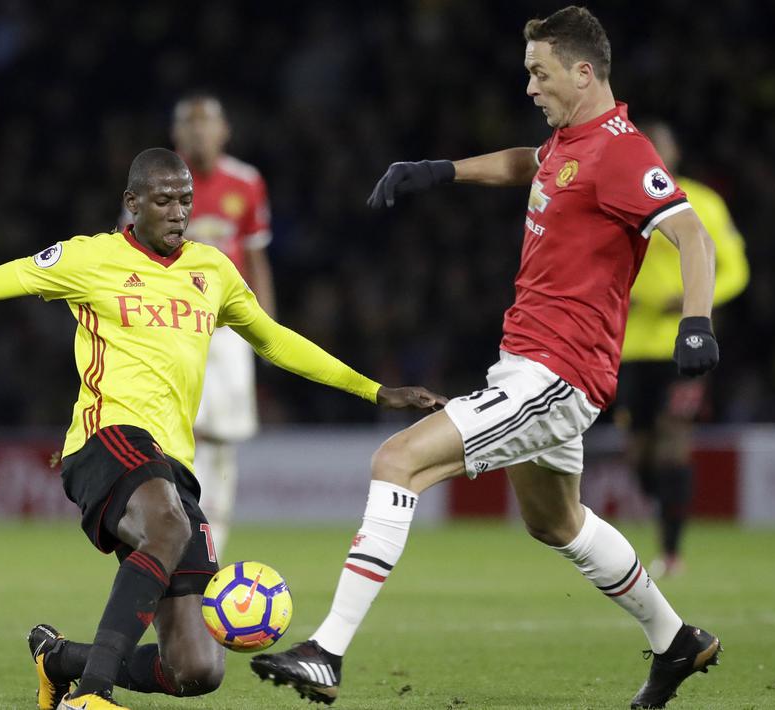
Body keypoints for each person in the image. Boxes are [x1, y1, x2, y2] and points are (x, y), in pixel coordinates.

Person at [0, 148, 444, 710]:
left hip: (172, 465)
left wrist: (374, 389)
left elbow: (275, 341)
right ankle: (91, 697)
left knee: (196, 669)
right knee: (167, 524)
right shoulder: (89, 258)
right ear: (132, 203)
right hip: (105, 440)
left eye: (186, 201)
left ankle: (61, 662)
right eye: (164, 200)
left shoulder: (212, 271)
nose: (178, 212)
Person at [251, 8, 721, 709]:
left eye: (539, 72)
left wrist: (695, 323)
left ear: (583, 71)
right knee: (554, 522)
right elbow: (523, 164)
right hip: (532, 364)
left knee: (396, 461)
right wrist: (439, 171)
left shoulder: (622, 150)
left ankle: (326, 651)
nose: (528, 85)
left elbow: (690, 233)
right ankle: (675, 641)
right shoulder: (570, 142)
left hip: (556, 372)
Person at [616, 121, 750, 579]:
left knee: (674, 442)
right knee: (639, 456)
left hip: (683, 343)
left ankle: (671, 553)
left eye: (662, 145)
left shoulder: (702, 202)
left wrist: (697, 302)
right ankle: (665, 506)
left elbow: (735, 269)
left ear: (674, 153)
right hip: (629, 346)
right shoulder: (618, 199)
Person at [171, 93, 275, 557]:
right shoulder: (159, 179)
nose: (199, 132)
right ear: (177, 135)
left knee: (223, 437)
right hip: (169, 322)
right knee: (176, 428)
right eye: (189, 125)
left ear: (224, 130)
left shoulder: (246, 182)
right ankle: (175, 528)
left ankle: (213, 539)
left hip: (228, 324)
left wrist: (266, 328)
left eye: (207, 123)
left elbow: (256, 256)